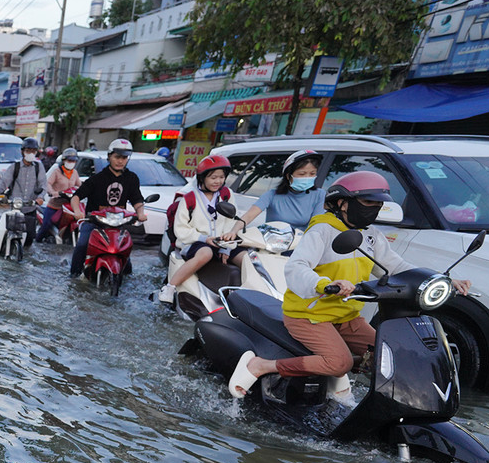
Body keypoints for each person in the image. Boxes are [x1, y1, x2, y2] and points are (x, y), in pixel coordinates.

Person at [228, 171, 472, 399]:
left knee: (392, 353)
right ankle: (263, 365)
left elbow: (397, 267)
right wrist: (324, 284)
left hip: (347, 316)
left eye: (378, 205)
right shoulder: (322, 230)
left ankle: (349, 378)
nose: (373, 209)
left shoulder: (371, 235)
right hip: (309, 315)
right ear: (342, 203)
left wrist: (441, 280)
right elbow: (296, 267)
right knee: (339, 363)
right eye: (367, 203)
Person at [159, 155, 238, 302]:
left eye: (221, 177)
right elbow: (180, 229)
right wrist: (204, 239)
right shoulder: (189, 199)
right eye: (213, 177)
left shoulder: (227, 195)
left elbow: (231, 222)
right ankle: (170, 287)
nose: (218, 181)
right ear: (202, 178)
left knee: (246, 255)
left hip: (222, 242)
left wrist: (227, 247)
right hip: (195, 243)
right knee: (206, 253)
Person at [70, 138, 147, 278]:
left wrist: (140, 213)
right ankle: (74, 275)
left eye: (124, 158)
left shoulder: (131, 178)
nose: (120, 161)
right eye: (117, 157)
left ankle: (127, 278)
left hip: (118, 225)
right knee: (82, 244)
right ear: (109, 156)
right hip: (94, 223)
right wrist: (77, 211)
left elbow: (137, 199)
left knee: (126, 252)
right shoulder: (97, 178)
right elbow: (76, 197)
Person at [224, 149, 325, 241]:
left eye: (312, 174)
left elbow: (317, 225)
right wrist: (234, 231)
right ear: (288, 176)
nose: (307, 177)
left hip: (301, 246)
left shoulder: (319, 195)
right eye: (302, 174)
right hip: (272, 244)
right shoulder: (272, 195)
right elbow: (249, 216)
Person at [0, 137, 48, 252]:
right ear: (22, 152)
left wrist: (40, 197)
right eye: (28, 151)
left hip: (30, 207)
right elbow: (3, 182)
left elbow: (43, 184)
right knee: (7, 233)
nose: (31, 153)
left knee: (30, 238)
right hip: (15, 208)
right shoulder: (15, 167)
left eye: (33, 151)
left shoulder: (39, 167)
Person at [34, 147, 82, 242]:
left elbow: (79, 185)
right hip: (55, 205)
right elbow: (48, 183)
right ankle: (37, 241)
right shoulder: (57, 171)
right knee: (46, 225)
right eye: (69, 160)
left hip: (69, 205)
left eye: (74, 161)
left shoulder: (74, 173)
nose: (72, 163)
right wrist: (53, 192)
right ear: (64, 161)